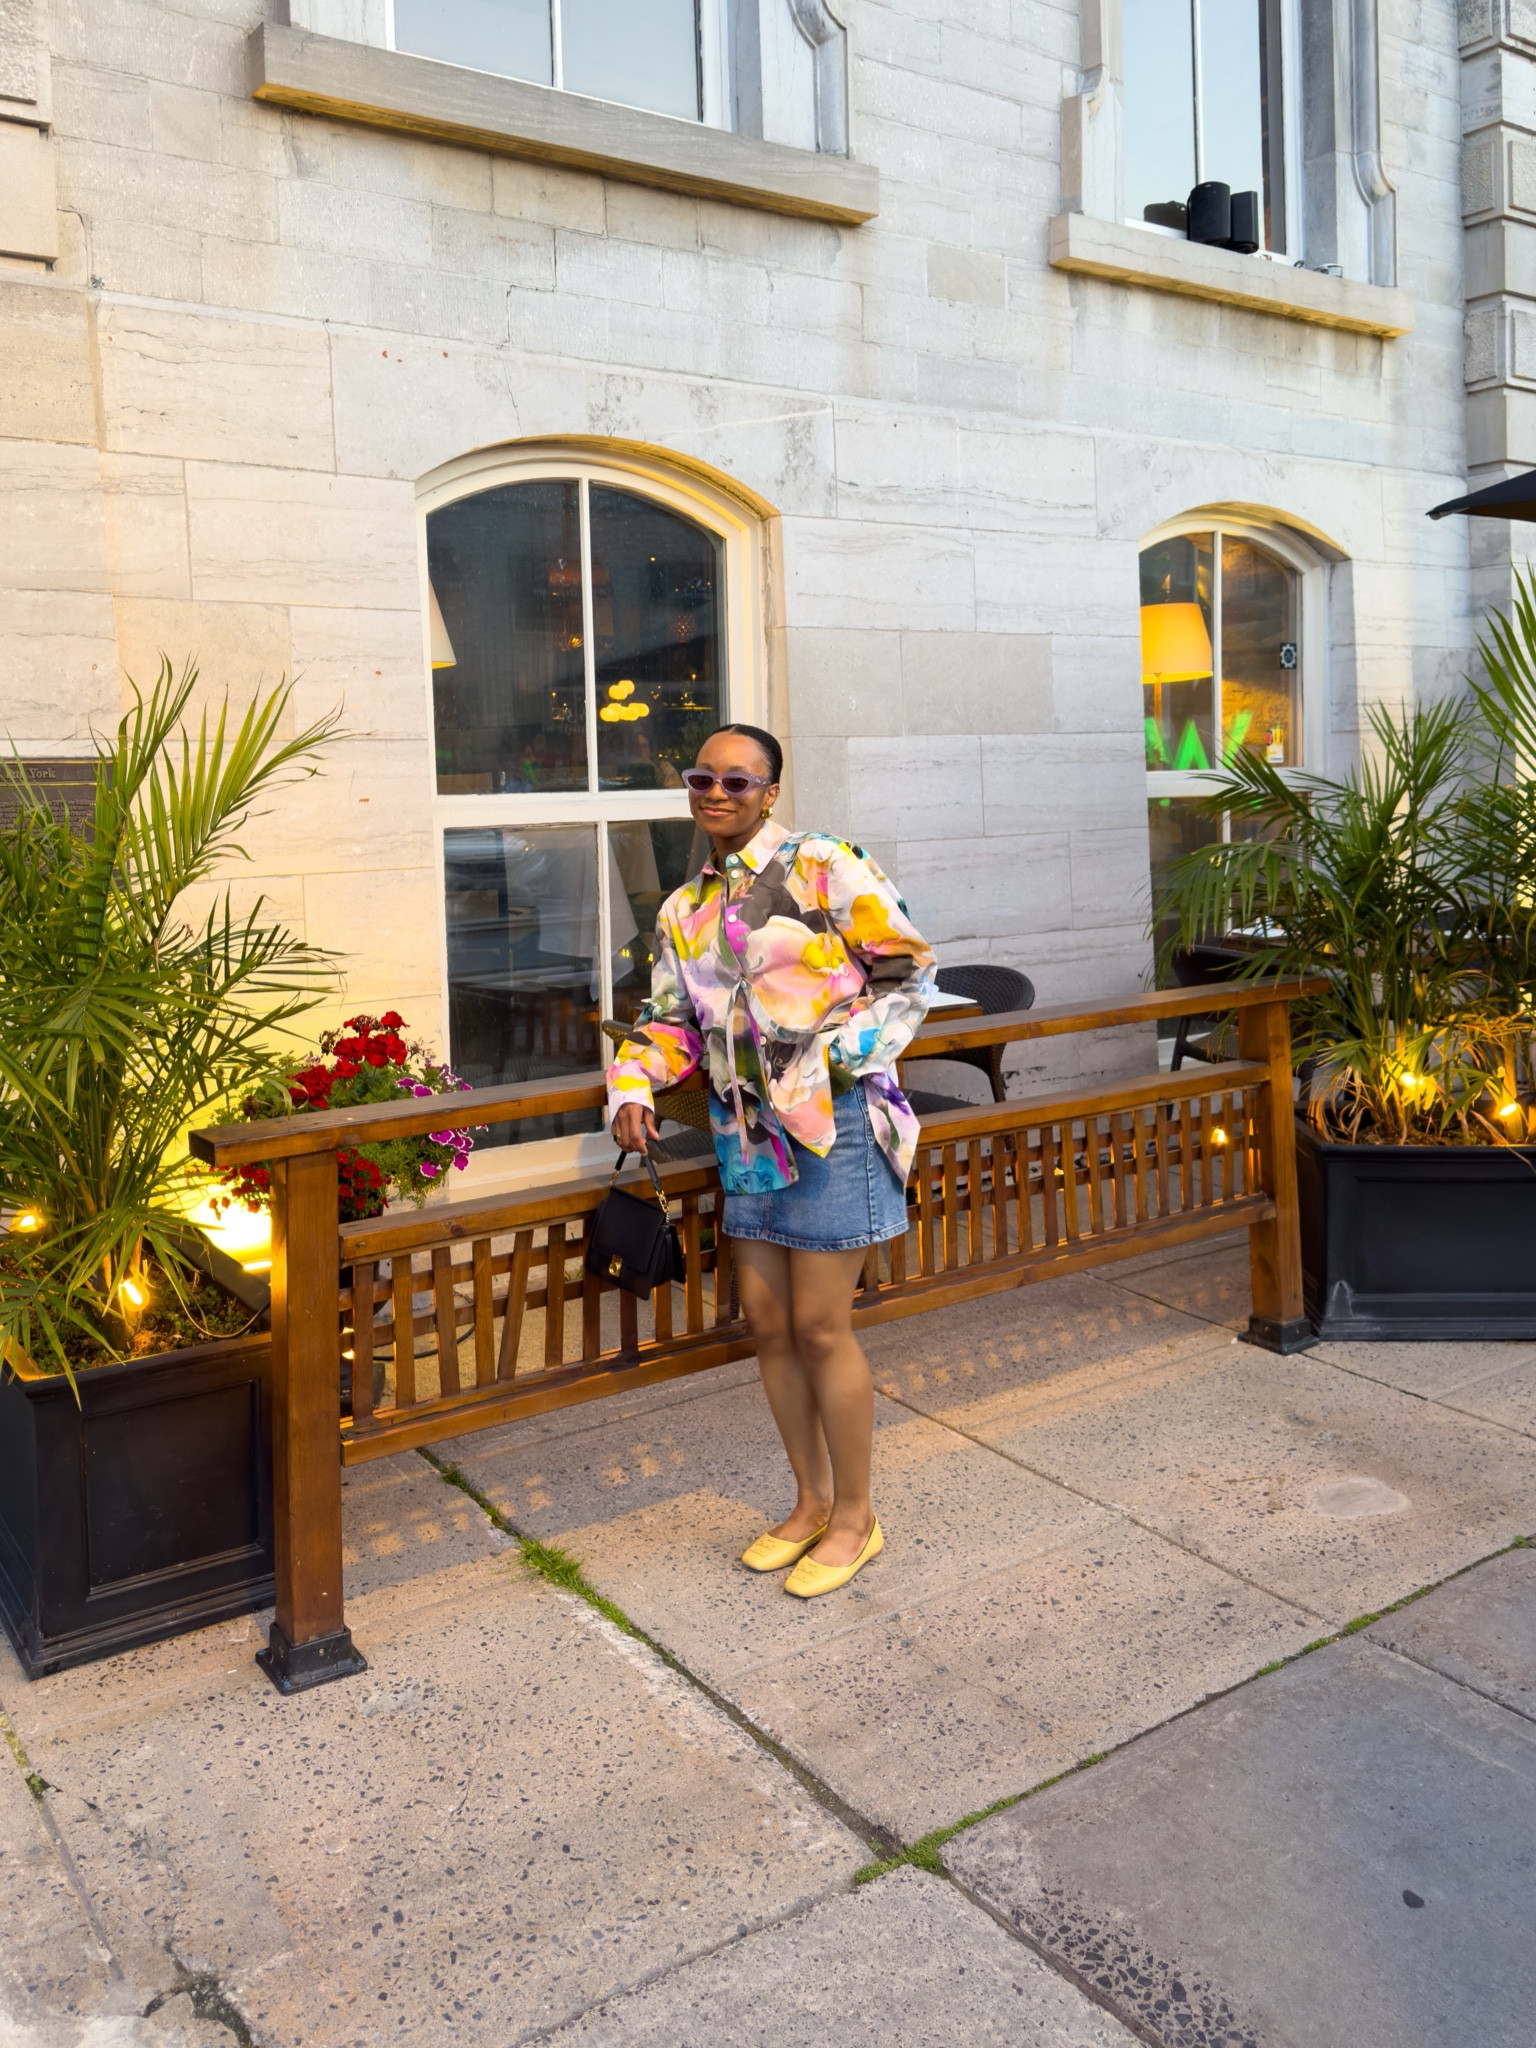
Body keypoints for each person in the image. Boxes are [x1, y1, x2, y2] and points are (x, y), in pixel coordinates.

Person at [606, 724, 936, 1596]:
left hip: (833, 1125)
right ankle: (810, 1501)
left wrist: (827, 1059)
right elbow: (671, 1019)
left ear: (770, 792)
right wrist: (632, 1086)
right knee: (767, 1319)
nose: (717, 793)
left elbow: (909, 973)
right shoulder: (683, 910)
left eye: (737, 781)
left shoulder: (822, 865)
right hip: (744, 1135)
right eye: (702, 779)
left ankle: (857, 1518)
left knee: (823, 1326)